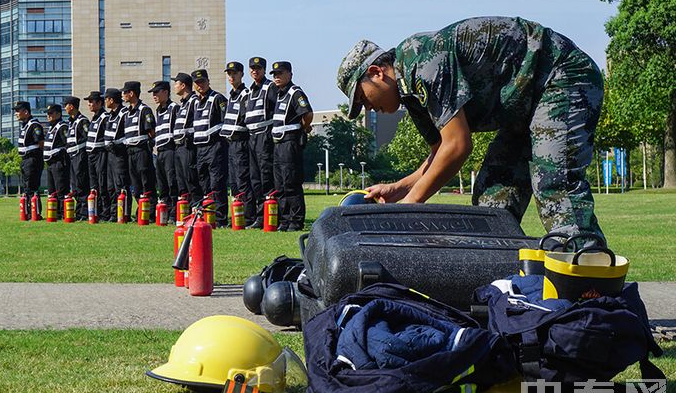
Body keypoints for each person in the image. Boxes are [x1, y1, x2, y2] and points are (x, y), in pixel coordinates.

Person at [337, 17, 605, 239]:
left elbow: (459, 146)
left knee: (555, 184)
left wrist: (410, 204)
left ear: (376, 72)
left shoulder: (420, 59)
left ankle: (590, 286)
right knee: (493, 200)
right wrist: (401, 188)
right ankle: (506, 286)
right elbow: (441, 150)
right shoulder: (410, 96)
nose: (368, 109)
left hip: (560, 75)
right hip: (523, 106)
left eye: (362, 98)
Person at [269, 61, 313, 232]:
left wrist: (304, 127)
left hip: (290, 142)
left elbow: (307, 113)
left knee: (291, 182)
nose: (277, 77)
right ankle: (285, 219)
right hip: (278, 144)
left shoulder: (295, 93)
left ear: (290, 74)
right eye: (274, 74)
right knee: (280, 184)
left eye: (280, 73)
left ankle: (295, 220)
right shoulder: (279, 94)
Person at [191, 69, 229, 227]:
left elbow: (225, 120)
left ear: (208, 81)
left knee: (217, 184)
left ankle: (220, 218)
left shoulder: (217, 98)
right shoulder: (194, 101)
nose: (200, 86)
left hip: (215, 147)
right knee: (204, 183)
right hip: (200, 149)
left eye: (202, 82)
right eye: (197, 83)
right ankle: (208, 217)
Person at [244, 56, 278, 229]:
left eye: (258, 68)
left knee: (266, 176)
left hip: (265, 136)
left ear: (264, 70)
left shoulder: (270, 87)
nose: (254, 71)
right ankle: (260, 216)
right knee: (255, 178)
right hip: (251, 137)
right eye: (252, 68)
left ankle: (271, 216)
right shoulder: (250, 91)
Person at [221, 61, 255, 226]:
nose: (231, 76)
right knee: (233, 182)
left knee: (242, 181)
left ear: (242, 74)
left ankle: (248, 217)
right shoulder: (231, 96)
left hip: (241, 142)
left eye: (234, 73)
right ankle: (237, 217)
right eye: (229, 73)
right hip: (230, 144)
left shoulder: (245, 94)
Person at [121, 81, 157, 221]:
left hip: (141, 151)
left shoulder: (144, 110)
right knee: (135, 186)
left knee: (146, 182)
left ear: (131, 93)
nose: (123, 95)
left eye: (125, 92)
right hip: (130, 152)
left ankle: (151, 213)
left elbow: (151, 132)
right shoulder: (127, 113)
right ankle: (142, 210)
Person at [149, 80, 180, 223]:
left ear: (166, 92)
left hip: (170, 150)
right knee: (162, 185)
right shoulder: (158, 110)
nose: (154, 95)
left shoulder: (174, 108)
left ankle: (174, 214)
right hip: (160, 151)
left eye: (156, 92)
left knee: (172, 182)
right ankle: (165, 215)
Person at [171, 72, 203, 206]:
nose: (174, 87)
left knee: (191, 179)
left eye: (176, 84)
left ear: (183, 85)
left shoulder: (194, 101)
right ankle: (187, 210)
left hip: (188, 146)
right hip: (179, 147)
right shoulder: (183, 104)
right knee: (181, 181)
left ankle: (197, 208)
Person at [104, 87, 132, 221]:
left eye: (106, 99)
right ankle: (114, 214)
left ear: (111, 99)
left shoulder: (124, 113)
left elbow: (128, 134)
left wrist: (117, 144)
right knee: (111, 186)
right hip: (110, 154)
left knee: (121, 185)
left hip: (120, 154)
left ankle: (124, 214)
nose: (105, 102)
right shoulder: (110, 115)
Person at [14, 101, 44, 219]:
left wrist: (36, 157)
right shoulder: (25, 125)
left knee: (32, 186)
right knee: (26, 187)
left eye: (18, 111)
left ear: (26, 112)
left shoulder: (34, 125)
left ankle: (35, 212)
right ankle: (28, 211)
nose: (16, 113)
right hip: (25, 159)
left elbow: (41, 143)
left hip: (33, 159)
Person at [84, 91, 111, 221]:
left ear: (99, 103)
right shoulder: (94, 118)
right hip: (91, 155)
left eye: (91, 101)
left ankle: (105, 212)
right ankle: (96, 210)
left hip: (100, 153)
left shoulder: (104, 117)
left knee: (102, 183)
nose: (89, 104)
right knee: (93, 185)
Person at [63, 96, 90, 220]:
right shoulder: (70, 122)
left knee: (81, 184)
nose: (65, 108)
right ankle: (79, 211)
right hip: (72, 157)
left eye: (66, 105)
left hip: (80, 155)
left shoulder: (82, 121)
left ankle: (84, 212)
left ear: (71, 106)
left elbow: (88, 137)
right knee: (74, 185)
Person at [43, 104, 70, 218]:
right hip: (50, 164)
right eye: (48, 113)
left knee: (61, 189)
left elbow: (66, 143)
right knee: (52, 190)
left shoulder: (62, 126)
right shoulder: (51, 127)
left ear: (58, 114)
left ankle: (62, 212)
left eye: (51, 113)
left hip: (59, 162)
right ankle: (54, 212)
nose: (48, 116)